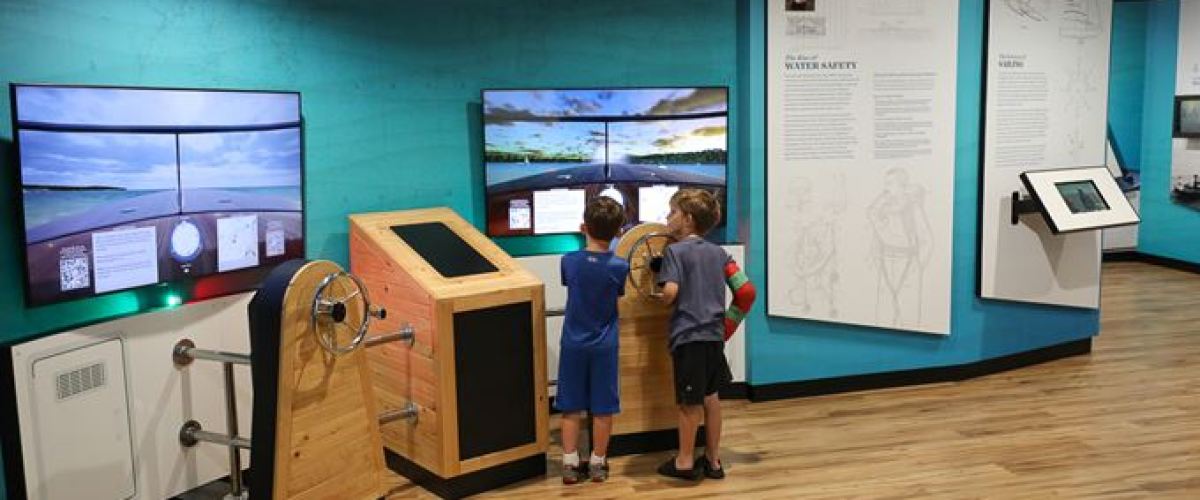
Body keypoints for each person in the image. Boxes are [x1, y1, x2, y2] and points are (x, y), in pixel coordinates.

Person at [655, 189, 756, 481]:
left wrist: (661, 296)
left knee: (689, 405)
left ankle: (684, 462)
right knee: (712, 399)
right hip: (714, 338)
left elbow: (671, 290)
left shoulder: (674, 252)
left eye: (671, 212)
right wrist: (728, 325)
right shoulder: (719, 253)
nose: (666, 217)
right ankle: (713, 461)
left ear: (686, 218)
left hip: (689, 338)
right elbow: (746, 291)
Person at [557, 196, 630, 484]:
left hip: (573, 343)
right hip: (604, 345)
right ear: (619, 231)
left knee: (570, 405)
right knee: (603, 407)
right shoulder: (619, 267)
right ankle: (598, 461)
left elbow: (570, 281)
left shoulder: (569, 262)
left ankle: (570, 461)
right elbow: (619, 295)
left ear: (583, 227)